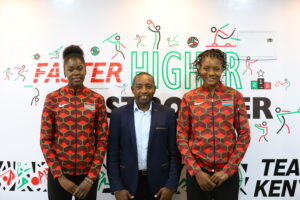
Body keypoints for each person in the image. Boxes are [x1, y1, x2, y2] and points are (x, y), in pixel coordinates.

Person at [177, 49, 250, 200]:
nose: (211, 73)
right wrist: (196, 171)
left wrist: (228, 170)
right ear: (199, 69)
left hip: (227, 174)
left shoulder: (235, 96)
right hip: (198, 173)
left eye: (216, 69)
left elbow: (244, 135)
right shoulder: (189, 98)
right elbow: (181, 137)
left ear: (222, 69)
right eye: (206, 68)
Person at [40, 45, 108, 200]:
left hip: (87, 177)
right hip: (59, 175)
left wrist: (91, 177)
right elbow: (45, 140)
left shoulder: (96, 100)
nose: (76, 73)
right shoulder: (53, 98)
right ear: (64, 72)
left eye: (79, 68)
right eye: (71, 69)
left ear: (85, 69)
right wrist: (59, 176)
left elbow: (102, 140)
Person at [107, 72, 181, 200]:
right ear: (132, 89)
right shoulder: (118, 115)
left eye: (148, 86)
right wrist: (117, 187)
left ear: (154, 89)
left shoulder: (167, 114)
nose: (144, 90)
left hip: (160, 185)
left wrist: (171, 185)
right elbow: (112, 154)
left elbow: (174, 153)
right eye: (139, 86)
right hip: (128, 184)